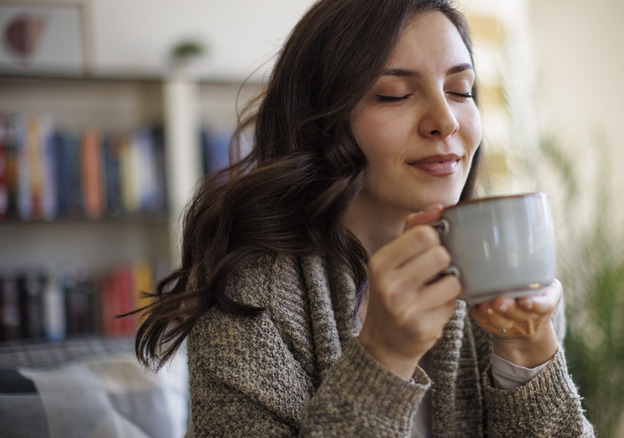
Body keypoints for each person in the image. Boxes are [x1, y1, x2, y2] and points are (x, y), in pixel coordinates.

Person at [134, 0, 595, 436]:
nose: (446, 120)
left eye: (460, 90)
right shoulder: (249, 296)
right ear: (322, 121)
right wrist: (384, 358)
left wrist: (528, 355)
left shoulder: (504, 272)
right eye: (395, 95)